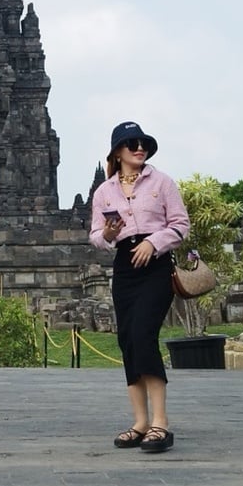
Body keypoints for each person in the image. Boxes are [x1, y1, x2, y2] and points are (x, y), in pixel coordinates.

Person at [89, 121, 188, 455]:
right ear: (118, 152)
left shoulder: (162, 182)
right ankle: (141, 422)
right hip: (125, 266)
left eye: (143, 143)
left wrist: (154, 243)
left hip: (156, 266)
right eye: (132, 144)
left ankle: (161, 422)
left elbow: (180, 225)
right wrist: (108, 234)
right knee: (128, 341)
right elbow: (96, 236)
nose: (139, 148)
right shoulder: (104, 191)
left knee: (144, 335)